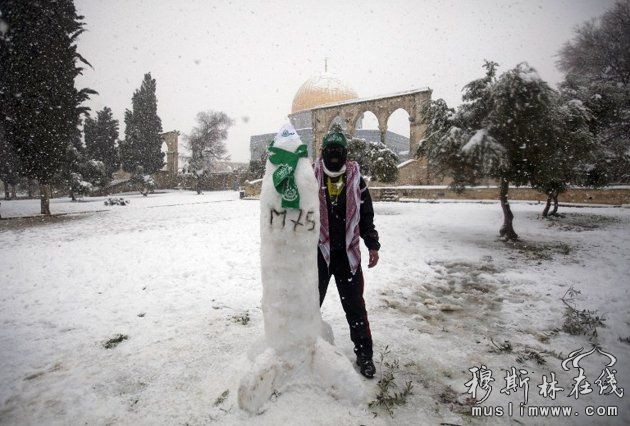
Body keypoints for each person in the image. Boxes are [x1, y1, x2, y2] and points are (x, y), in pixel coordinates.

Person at [314, 130, 380, 379]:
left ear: (344, 153)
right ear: (323, 151)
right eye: (329, 149)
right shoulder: (310, 177)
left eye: (337, 150)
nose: (333, 154)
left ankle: (365, 355)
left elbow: (365, 217)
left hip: (347, 256)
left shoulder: (356, 180)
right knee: (310, 305)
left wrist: (372, 244)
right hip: (319, 255)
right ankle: (303, 350)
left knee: (355, 308)